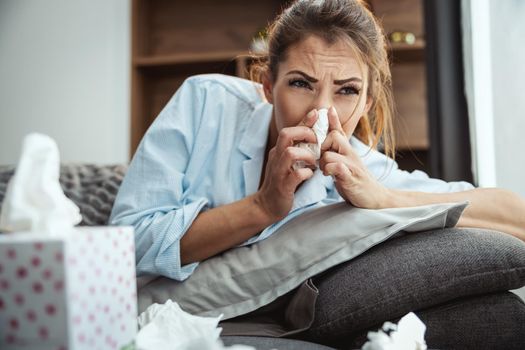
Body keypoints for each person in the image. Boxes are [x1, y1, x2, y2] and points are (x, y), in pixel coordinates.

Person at [110, 0, 525, 347]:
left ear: (366, 102)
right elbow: (127, 244)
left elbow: (514, 214)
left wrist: (383, 198)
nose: (321, 112)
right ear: (267, 84)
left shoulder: (362, 168)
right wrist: (262, 206)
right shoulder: (205, 104)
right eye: (300, 83)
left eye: (347, 90)